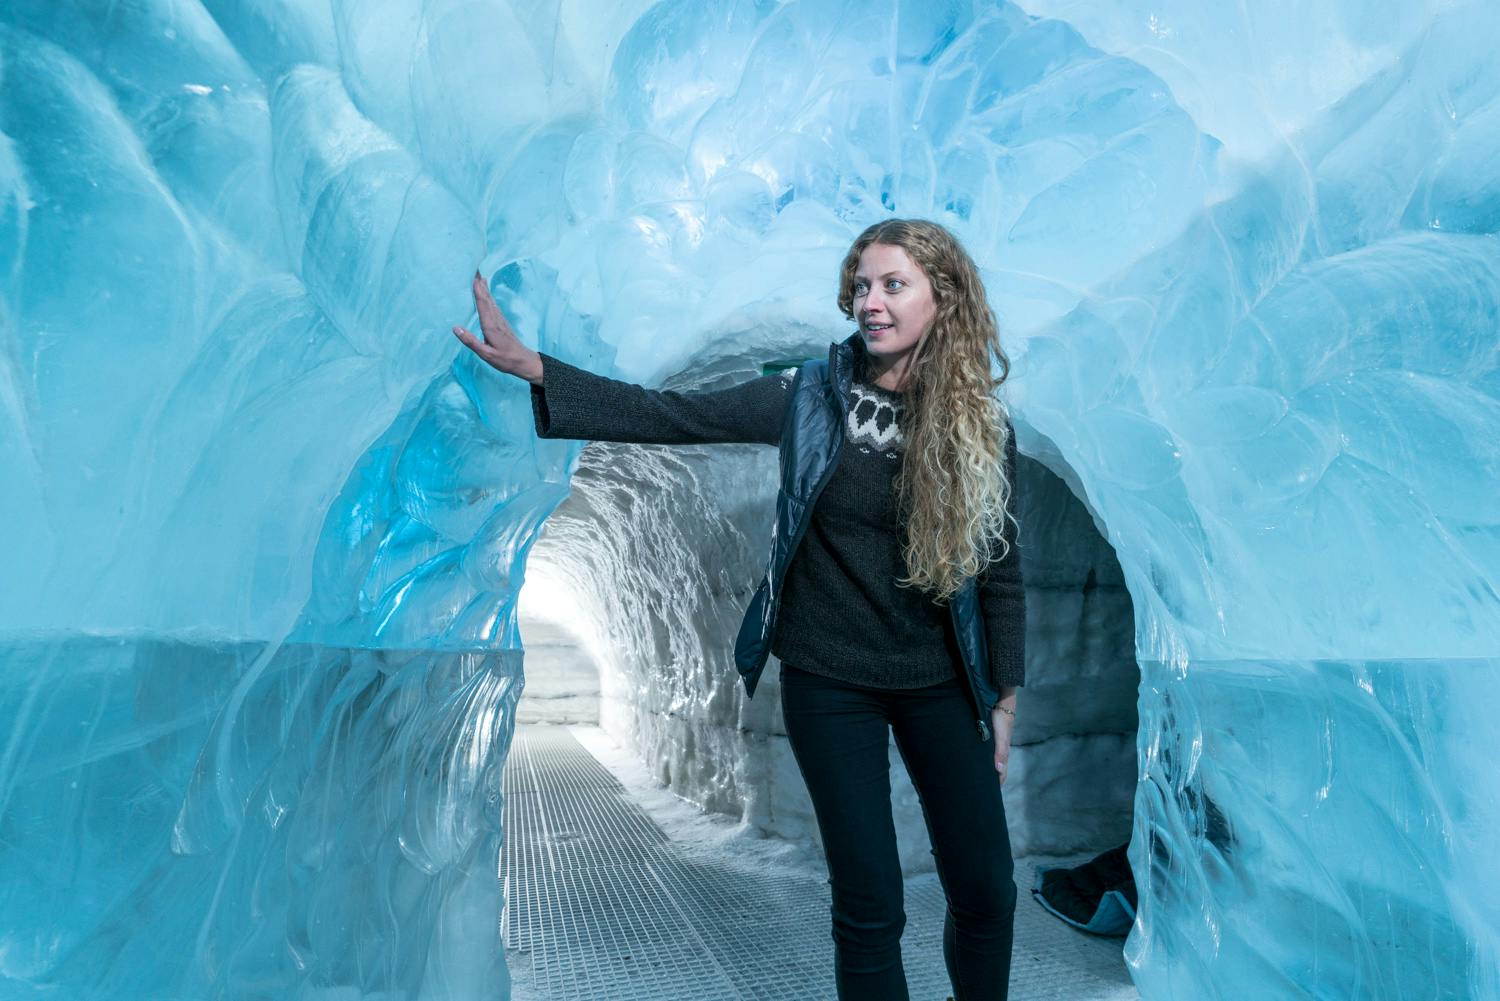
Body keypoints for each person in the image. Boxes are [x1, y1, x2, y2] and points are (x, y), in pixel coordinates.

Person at [454, 218, 1025, 1001]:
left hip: (940, 680)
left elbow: (1000, 570)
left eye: (894, 284)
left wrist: (1005, 693)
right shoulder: (808, 398)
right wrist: (539, 370)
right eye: (862, 285)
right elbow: (674, 415)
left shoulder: (982, 426)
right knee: (871, 906)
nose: (871, 302)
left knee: (988, 889)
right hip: (832, 680)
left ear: (945, 295)